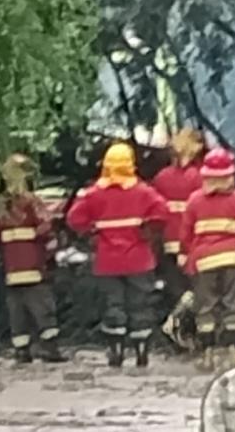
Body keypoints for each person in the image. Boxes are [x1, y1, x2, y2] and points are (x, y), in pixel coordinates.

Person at [66, 143, 169, 367]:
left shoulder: (93, 194)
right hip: (139, 259)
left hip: (107, 260)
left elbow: (74, 219)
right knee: (140, 305)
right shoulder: (143, 191)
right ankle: (142, 354)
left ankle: (117, 353)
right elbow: (162, 211)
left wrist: (91, 236)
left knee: (114, 306)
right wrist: (148, 232)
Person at [181, 148, 235, 371]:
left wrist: (184, 255)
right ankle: (234, 353)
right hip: (233, 260)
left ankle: (207, 356)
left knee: (205, 309)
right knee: (234, 307)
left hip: (204, 261)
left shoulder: (195, 200)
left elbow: (185, 233)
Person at [0, 154, 67, 364]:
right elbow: (46, 226)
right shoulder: (30, 202)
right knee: (42, 307)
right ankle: (49, 348)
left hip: (11, 269)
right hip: (33, 266)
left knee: (17, 310)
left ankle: (22, 350)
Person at [151, 128, 205, 352]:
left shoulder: (161, 177)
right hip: (193, 242)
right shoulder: (199, 177)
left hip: (168, 241)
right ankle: (180, 326)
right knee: (199, 289)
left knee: (176, 287)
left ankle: (179, 333)